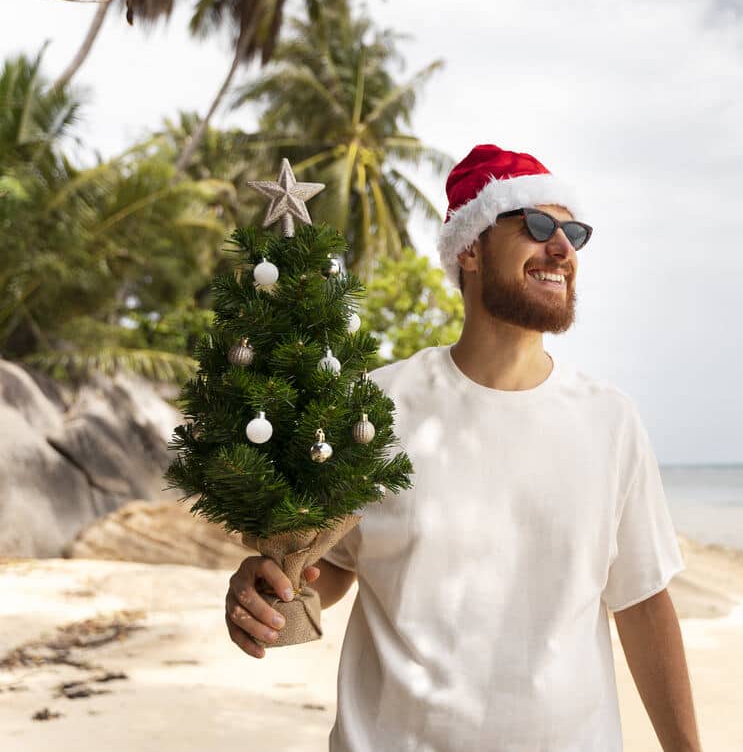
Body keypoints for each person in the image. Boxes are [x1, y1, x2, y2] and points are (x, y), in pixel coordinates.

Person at [224, 144, 702, 751]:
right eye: (535, 226)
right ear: (470, 248)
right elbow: (330, 566)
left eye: (573, 233)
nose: (561, 248)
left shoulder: (611, 421)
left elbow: (643, 605)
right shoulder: (373, 409)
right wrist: (263, 587)